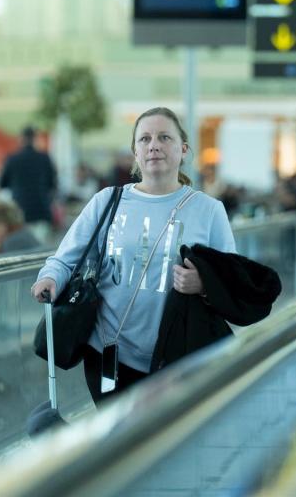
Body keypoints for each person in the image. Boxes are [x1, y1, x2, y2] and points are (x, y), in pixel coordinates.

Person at [30, 107, 236, 405]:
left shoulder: (208, 210)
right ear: (135, 152)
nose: (154, 145)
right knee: (123, 441)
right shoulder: (108, 201)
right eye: (145, 139)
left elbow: (232, 281)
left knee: (163, 440)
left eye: (165, 137)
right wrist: (50, 278)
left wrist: (203, 283)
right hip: (107, 351)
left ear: (184, 150)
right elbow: (65, 258)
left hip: (178, 356)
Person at [0, 126, 57, 241]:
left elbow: (2, 183)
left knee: (22, 249)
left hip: (19, 211)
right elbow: (52, 185)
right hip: (41, 210)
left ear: (21, 139)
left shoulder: (12, 159)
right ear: (34, 139)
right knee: (41, 249)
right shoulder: (44, 158)